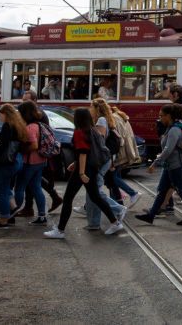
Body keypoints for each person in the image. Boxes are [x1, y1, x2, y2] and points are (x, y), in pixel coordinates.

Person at [45, 108, 126, 237]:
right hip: (91, 168)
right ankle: (115, 222)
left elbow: (83, 152)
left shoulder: (79, 132)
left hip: (83, 171)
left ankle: (60, 230)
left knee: (68, 199)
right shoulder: (92, 130)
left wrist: (81, 172)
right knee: (96, 197)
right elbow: (87, 152)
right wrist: (76, 164)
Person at [134, 104, 182, 225]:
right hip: (171, 166)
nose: (159, 118)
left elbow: (168, 149)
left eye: (161, 116)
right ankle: (151, 215)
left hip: (177, 165)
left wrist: (155, 163)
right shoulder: (172, 127)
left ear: (169, 116)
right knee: (162, 191)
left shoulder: (174, 130)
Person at [82, 99, 126, 230]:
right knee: (93, 189)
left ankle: (118, 208)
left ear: (96, 108)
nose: (89, 109)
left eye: (91, 107)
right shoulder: (103, 120)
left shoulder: (101, 120)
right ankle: (93, 222)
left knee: (95, 190)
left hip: (100, 159)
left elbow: (98, 141)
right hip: (102, 159)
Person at [0, 104, 29, 229]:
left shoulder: (7, 126)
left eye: (0, 114)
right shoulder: (18, 125)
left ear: (6, 114)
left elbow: (2, 145)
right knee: (5, 188)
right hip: (16, 160)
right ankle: (13, 210)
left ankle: (3, 219)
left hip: (5, 163)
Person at [14, 101, 50, 227]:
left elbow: (34, 145)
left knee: (19, 188)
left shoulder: (30, 128)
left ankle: (13, 212)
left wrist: (23, 149)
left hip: (30, 162)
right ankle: (42, 215)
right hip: (40, 161)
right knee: (36, 188)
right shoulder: (39, 125)